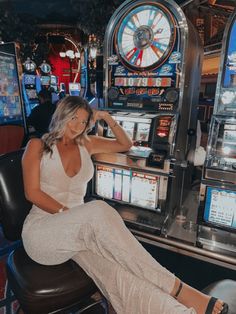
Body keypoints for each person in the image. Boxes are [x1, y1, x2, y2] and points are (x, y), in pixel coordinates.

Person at [21, 96, 228, 314]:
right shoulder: (38, 145)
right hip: (43, 233)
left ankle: (175, 310)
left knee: (119, 274)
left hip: (78, 234)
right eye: (74, 118)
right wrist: (73, 215)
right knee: (98, 209)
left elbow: (125, 144)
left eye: (83, 121)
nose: (78, 126)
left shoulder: (86, 143)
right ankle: (178, 288)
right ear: (62, 114)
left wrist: (107, 118)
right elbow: (32, 193)